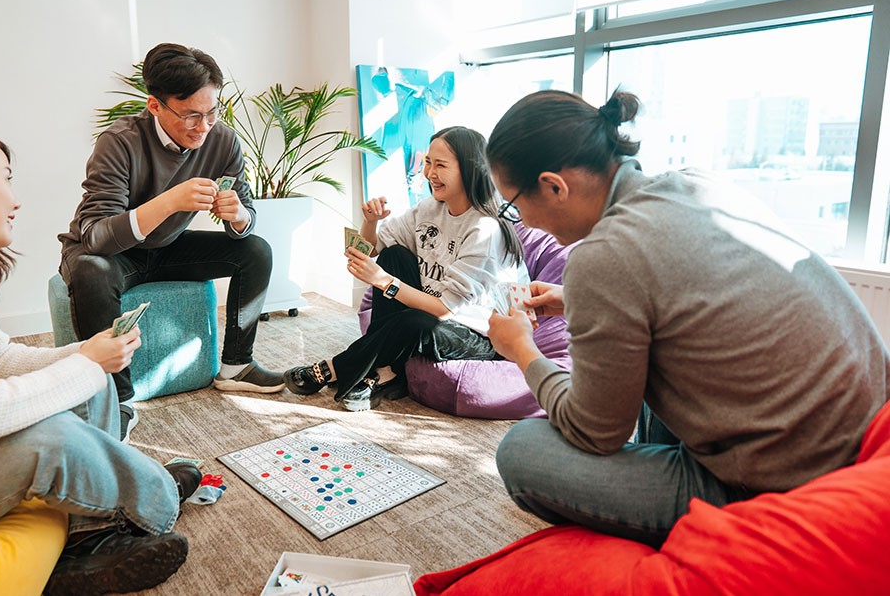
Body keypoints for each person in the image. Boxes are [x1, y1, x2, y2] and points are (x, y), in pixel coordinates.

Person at [485, 89, 890, 547]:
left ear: (554, 186)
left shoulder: (603, 256)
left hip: (782, 484)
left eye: (514, 204)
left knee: (521, 450)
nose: (521, 221)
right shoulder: (698, 184)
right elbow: (683, 297)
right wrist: (574, 299)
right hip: (862, 434)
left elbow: (593, 432)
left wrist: (523, 351)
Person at [0, 117, 203, 594]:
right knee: (51, 436)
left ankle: (92, 529)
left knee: (92, 383)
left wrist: (85, 354)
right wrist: (84, 364)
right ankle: (151, 497)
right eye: (6, 178)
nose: (16, 200)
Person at [59, 42, 283, 440]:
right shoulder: (119, 141)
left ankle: (236, 366)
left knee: (256, 251)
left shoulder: (223, 141)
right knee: (90, 271)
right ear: (155, 106)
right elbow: (95, 235)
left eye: (212, 112)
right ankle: (118, 400)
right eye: (191, 115)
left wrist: (238, 215)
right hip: (114, 253)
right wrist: (168, 203)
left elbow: (247, 214)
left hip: (167, 247)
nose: (204, 126)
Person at [283, 126, 526, 411]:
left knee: (413, 321)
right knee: (394, 255)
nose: (429, 173)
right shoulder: (430, 208)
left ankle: (334, 368)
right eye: (428, 162)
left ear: (469, 170)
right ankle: (388, 372)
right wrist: (371, 221)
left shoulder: (484, 229)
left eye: (440, 165)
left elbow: (445, 309)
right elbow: (373, 249)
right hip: (432, 310)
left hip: (481, 334)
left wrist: (385, 282)